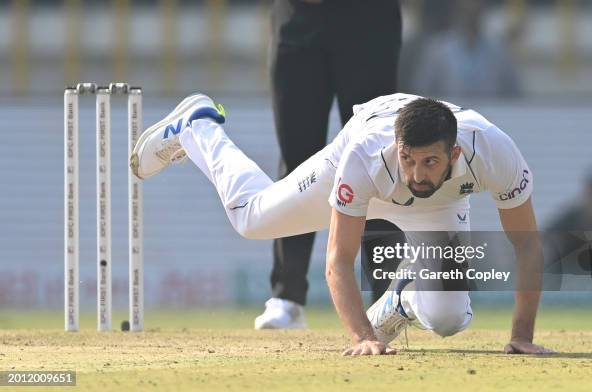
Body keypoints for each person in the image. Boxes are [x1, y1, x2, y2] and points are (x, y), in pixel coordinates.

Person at [130, 93, 553, 355]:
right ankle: (198, 126)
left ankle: (401, 299)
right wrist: (362, 337)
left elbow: (527, 246)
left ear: (455, 155)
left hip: (437, 207)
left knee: (448, 320)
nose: (417, 174)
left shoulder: (496, 153)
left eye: (431, 162)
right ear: (397, 148)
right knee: (250, 219)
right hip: (355, 159)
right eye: (409, 159)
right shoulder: (367, 157)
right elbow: (339, 258)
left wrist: (521, 335)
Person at [265, 0, 402, 329]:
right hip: (297, 16)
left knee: (378, 158)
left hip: (368, 18)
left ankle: (386, 299)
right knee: (296, 156)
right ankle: (287, 296)